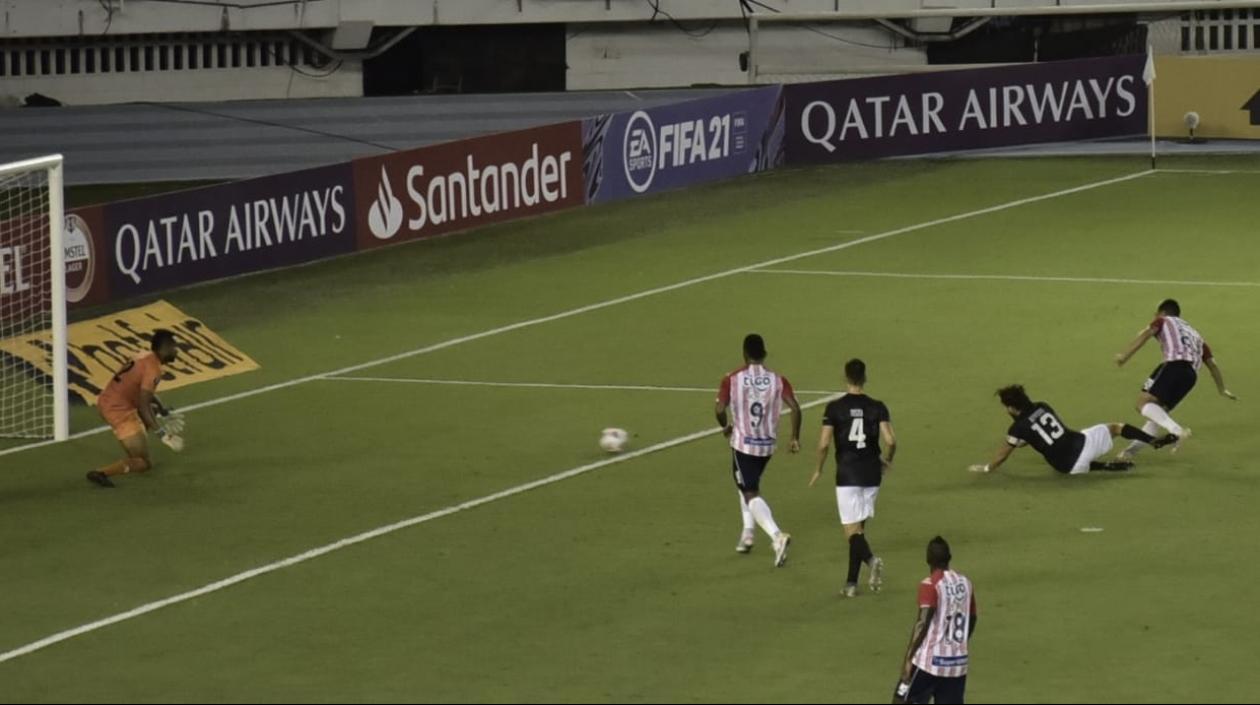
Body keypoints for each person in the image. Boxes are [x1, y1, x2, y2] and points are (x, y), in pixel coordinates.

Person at [811, 359, 895, 597]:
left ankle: (871, 560)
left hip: (848, 474)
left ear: (845, 377)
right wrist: (888, 459)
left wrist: (818, 468)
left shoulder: (834, 408)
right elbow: (890, 440)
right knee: (859, 531)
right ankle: (851, 584)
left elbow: (824, 443)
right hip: (872, 474)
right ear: (865, 377)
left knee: (851, 532)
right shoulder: (877, 406)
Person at [716, 333, 800, 566]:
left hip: (743, 444)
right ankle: (748, 533)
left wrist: (725, 426)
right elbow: (795, 408)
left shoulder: (732, 378)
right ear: (764, 353)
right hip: (767, 445)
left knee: (749, 490)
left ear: (744, 354)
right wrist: (794, 437)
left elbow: (720, 408)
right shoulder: (778, 379)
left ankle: (776, 536)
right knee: (747, 484)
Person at [1114, 298, 1236, 458]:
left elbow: (1145, 335)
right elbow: (1212, 365)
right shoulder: (1196, 335)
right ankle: (1129, 453)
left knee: (1142, 403)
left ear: (1163, 312)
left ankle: (1177, 431)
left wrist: (1124, 356)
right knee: (1157, 415)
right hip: (1190, 376)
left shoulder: (1162, 320)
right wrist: (1222, 389)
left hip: (1174, 365)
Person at [969, 385, 1171, 476]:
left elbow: (1003, 455)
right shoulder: (1043, 406)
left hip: (1066, 468)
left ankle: (1103, 467)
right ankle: (1152, 441)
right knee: (1116, 428)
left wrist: (987, 468)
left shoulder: (1017, 428)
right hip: (1083, 443)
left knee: (1072, 461)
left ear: (1012, 408)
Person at [86, 330, 183, 488]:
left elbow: (145, 394)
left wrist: (162, 409)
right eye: (174, 347)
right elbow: (144, 406)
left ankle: (136, 438)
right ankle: (101, 472)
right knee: (143, 463)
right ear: (164, 348)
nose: (176, 351)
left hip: (109, 399)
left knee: (152, 410)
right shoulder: (154, 369)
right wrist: (163, 435)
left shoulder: (144, 356)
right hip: (118, 410)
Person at [894, 536, 976, 705]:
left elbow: (922, 623)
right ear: (949, 558)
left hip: (928, 665)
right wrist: (958, 644)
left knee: (900, 700)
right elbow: (973, 618)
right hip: (957, 665)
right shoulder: (966, 583)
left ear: (928, 560)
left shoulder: (930, 584)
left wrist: (908, 660)